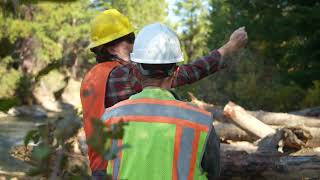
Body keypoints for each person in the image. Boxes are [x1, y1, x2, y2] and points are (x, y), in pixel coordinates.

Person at [80, 9, 247, 176]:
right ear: (111, 49)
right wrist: (228, 49)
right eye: (130, 39)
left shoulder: (92, 76)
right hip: (114, 165)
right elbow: (183, 73)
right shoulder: (120, 75)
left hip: (104, 164)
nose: (134, 44)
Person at [101, 23, 228, 179]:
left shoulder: (109, 119)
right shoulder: (201, 122)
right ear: (175, 72)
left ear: (135, 71)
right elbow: (213, 174)